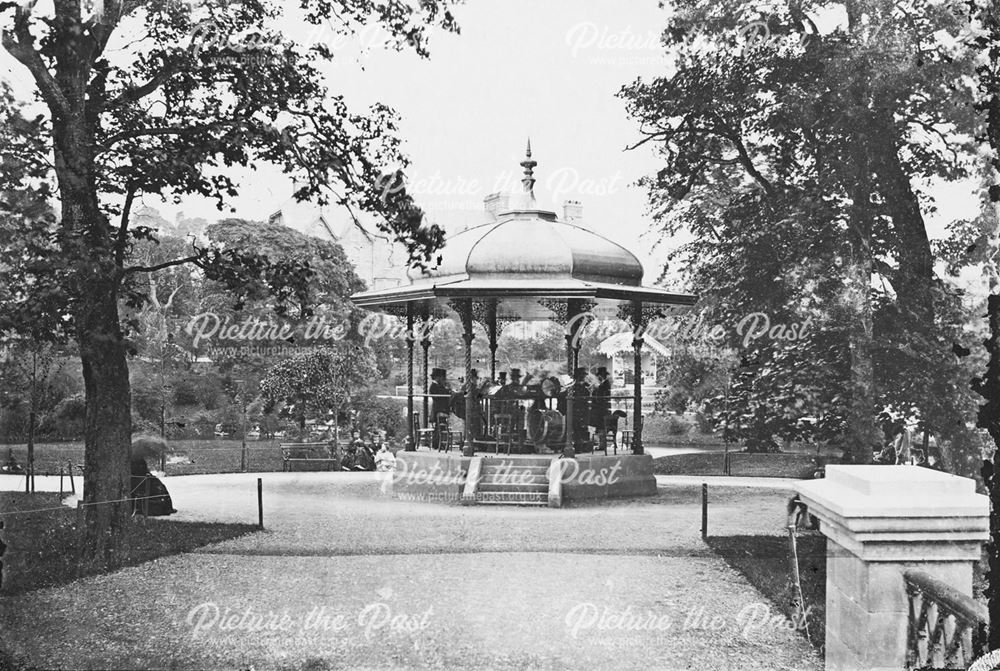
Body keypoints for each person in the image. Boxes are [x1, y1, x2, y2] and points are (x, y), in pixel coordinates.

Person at [589, 366, 612, 451]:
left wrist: (595, 390)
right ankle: (601, 444)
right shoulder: (604, 384)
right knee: (600, 427)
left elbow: (599, 397)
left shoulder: (604, 385)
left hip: (601, 409)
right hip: (602, 408)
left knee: (601, 426)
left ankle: (602, 445)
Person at [429, 368, 452, 449]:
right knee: (439, 427)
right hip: (438, 409)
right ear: (437, 377)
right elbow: (443, 394)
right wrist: (447, 389)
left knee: (441, 427)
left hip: (442, 409)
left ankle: (440, 443)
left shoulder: (439, 386)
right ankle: (437, 444)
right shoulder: (434, 386)